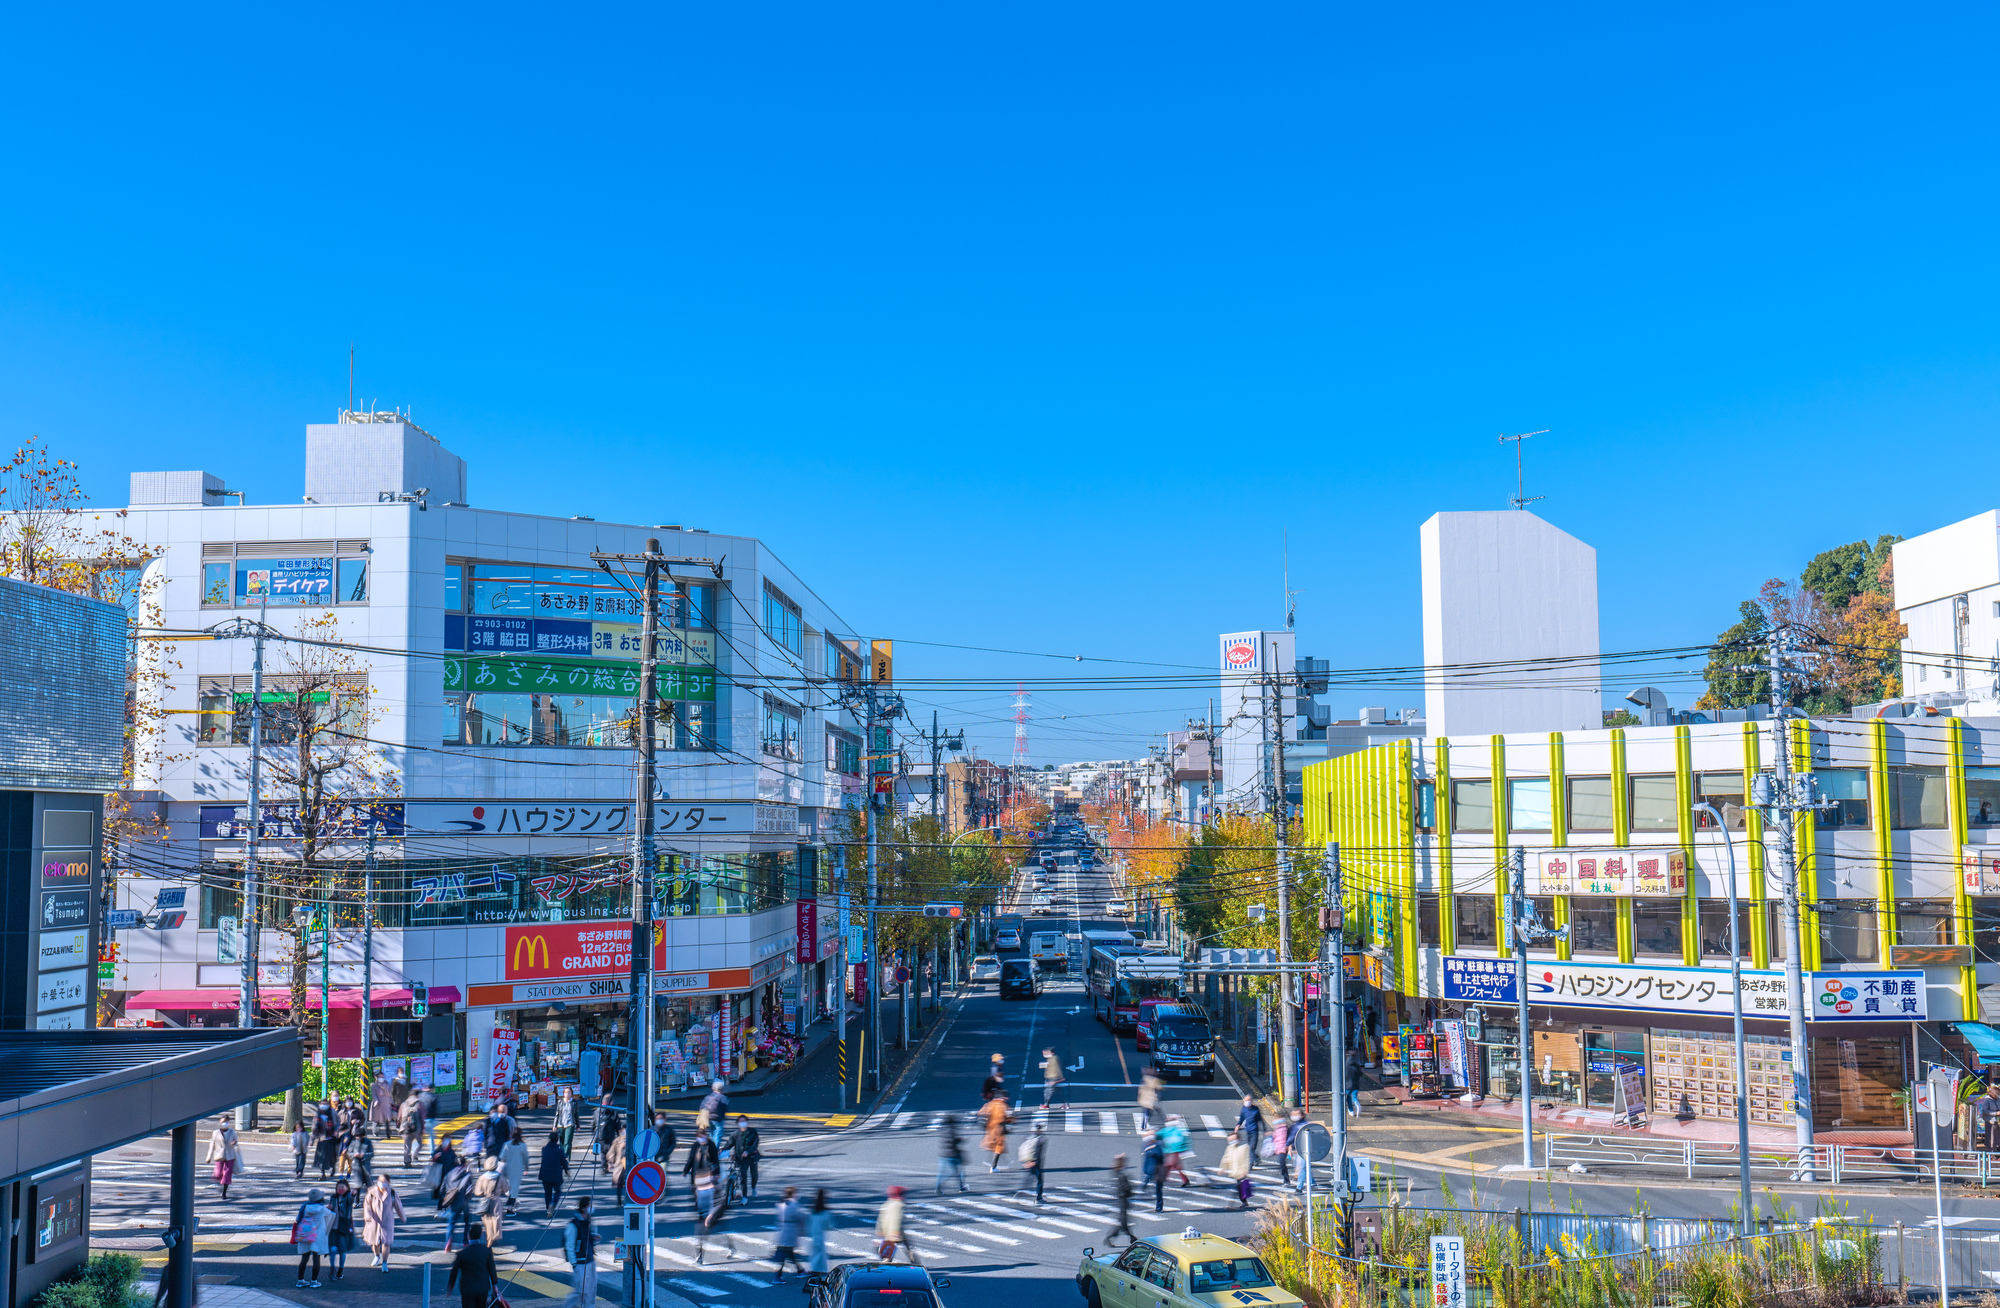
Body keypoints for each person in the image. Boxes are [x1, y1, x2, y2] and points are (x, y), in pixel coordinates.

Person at [560, 1195, 599, 1308]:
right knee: (580, 1291)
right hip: (580, 1262)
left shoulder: (589, 1220)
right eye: (589, 1205)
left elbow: (589, 1237)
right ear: (583, 1208)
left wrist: (595, 1237)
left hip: (590, 1260)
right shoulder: (573, 1225)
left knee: (591, 1289)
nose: (591, 1208)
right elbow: (569, 1245)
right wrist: (574, 1263)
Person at [447, 1225, 499, 1308]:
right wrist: (495, 1285)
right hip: (482, 1287)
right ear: (481, 1235)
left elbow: (454, 1271)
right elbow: (491, 1268)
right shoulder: (487, 1251)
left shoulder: (462, 1254)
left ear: (468, 1236)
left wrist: (450, 1286)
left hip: (467, 1288)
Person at [364, 1174, 405, 1270]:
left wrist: (402, 1217)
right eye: (380, 1181)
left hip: (387, 1221)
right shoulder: (372, 1192)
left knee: (386, 1242)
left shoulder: (392, 1193)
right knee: (375, 1242)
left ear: (388, 1182)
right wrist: (367, 1216)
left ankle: (385, 1262)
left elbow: (398, 1206)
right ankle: (376, 1256)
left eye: (384, 1181)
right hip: (374, 1221)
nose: (381, 1183)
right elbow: (367, 1205)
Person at [292, 1188, 331, 1288]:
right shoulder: (322, 1209)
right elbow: (331, 1217)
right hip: (317, 1236)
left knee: (304, 1259)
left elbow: (297, 1219)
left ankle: (300, 1280)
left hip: (305, 1234)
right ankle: (314, 1281)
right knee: (316, 1258)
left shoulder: (304, 1206)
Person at [769, 1185, 806, 1283]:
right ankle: (777, 1276)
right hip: (790, 1233)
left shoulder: (781, 1203)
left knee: (789, 1253)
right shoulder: (793, 1204)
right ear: (793, 1193)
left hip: (782, 1232)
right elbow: (799, 1218)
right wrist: (802, 1231)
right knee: (784, 1255)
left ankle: (800, 1270)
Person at [694, 1180, 737, 1265]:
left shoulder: (714, 1188)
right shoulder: (700, 1189)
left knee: (708, 1232)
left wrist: (711, 1216)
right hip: (705, 1214)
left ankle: (700, 1256)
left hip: (714, 1213)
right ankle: (700, 1256)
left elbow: (720, 1204)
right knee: (702, 1233)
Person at [874, 1186, 918, 1265]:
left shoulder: (886, 1204)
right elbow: (896, 1218)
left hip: (887, 1230)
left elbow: (881, 1218)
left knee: (892, 1249)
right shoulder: (899, 1204)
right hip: (895, 1231)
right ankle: (914, 1263)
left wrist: (879, 1230)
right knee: (905, 1247)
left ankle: (887, 1262)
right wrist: (895, 1231)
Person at [439, 1157, 474, 1253]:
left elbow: (442, 1189)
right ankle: (466, 1241)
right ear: (464, 1164)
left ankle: (448, 1241)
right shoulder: (466, 1174)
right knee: (467, 1221)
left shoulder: (449, 1174)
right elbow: (470, 1189)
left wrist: (446, 1198)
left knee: (451, 1223)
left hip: (453, 1201)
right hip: (464, 1201)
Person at [474, 1157, 508, 1249]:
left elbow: (478, 1192)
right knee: (496, 1220)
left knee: (487, 1221)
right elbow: (506, 1188)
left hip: (485, 1202)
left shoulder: (482, 1178)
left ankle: (489, 1237)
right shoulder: (500, 1177)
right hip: (496, 1201)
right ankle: (492, 1239)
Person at [326, 1178, 357, 1280]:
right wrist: (328, 1208)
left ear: (347, 1188)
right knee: (333, 1249)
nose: (340, 1189)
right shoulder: (333, 1197)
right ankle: (332, 1267)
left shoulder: (348, 1197)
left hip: (343, 1227)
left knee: (343, 1250)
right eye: (339, 1187)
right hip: (333, 1227)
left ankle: (341, 1269)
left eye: (342, 1187)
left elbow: (351, 1200)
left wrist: (353, 1194)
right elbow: (329, 1209)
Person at [684, 1130, 720, 1216]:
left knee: (709, 1191)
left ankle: (709, 1209)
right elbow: (691, 1159)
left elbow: (715, 1160)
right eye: (699, 1137)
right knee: (697, 1191)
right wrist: (685, 1170)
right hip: (697, 1173)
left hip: (708, 1172)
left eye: (702, 1137)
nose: (701, 1139)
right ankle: (700, 1209)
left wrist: (716, 1173)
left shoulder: (711, 1145)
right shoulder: (695, 1146)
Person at [205, 1115, 242, 1200]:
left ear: (228, 1122)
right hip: (219, 1155)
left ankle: (224, 1193)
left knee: (227, 1174)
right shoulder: (215, 1132)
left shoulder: (232, 1132)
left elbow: (236, 1142)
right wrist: (208, 1157)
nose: (224, 1123)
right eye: (222, 1122)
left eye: (226, 1121)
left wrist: (234, 1143)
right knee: (218, 1173)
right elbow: (212, 1145)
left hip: (230, 1155)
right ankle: (221, 1183)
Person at [1104, 1153, 1136, 1247]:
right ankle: (1131, 1237)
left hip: (1121, 1199)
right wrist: (1130, 1191)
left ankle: (1130, 1237)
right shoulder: (1122, 1174)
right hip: (1123, 1199)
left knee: (1123, 1220)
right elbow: (1125, 1188)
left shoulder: (1118, 1172)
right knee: (1123, 1221)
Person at [1220, 1129, 1253, 1210]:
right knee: (1239, 1188)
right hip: (1235, 1172)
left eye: (1233, 1140)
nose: (1232, 1142)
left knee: (1238, 1188)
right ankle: (1244, 1202)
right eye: (1230, 1141)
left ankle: (1232, 1204)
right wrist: (1223, 1168)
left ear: (1238, 1140)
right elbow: (1226, 1158)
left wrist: (1245, 1171)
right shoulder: (1229, 1149)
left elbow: (1246, 1160)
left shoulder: (1244, 1148)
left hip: (1241, 1172)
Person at [934, 1112, 967, 1193]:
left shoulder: (942, 1129)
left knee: (942, 1172)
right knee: (956, 1171)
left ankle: (938, 1187)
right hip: (952, 1154)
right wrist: (962, 1140)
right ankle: (961, 1186)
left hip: (942, 1154)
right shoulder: (952, 1130)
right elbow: (954, 1141)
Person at [977, 1093, 1011, 1172]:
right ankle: (993, 1166)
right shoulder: (1003, 1106)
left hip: (990, 1129)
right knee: (998, 1148)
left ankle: (993, 1163)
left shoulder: (990, 1104)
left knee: (994, 1146)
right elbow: (1005, 1118)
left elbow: (981, 1113)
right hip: (999, 1130)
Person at [729, 1115, 761, 1198]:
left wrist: (748, 1152)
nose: (742, 1123)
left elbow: (755, 1144)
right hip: (741, 1158)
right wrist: (722, 1150)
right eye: (740, 1121)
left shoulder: (753, 1132)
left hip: (752, 1157)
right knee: (743, 1176)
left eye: (744, 1121)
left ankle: (754, 1187)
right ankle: (744, 1195)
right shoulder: (735, 1134)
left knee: (754, 1175)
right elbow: (729, 1144)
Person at [1017, 1122, 1048, 1204]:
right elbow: (1039, 1153)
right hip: (1035, 1163)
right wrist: (1034, 1162)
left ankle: (1020, 1193)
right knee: (1040, 1181)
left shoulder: (1027, 1138)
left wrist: (1025, 1162)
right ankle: (1039, 1198)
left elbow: (1022, 1150)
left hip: (1027, 1161)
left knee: (1028, 1178)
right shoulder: (1040, 1140)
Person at [501, 1126, 530, 1212]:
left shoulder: (506, 1144)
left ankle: (510, 1204)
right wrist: (526, 1168)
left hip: (507, 1169)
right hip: (517, 1169)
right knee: (514, 1188)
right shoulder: (522, 1145)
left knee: (509, 1187)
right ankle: (510, 1207)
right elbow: (526, 1158)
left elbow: (502, 1157)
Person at [806, 1189, 834, 1274]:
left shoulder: (813, 1210)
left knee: (814, 1252)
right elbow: (829, 1225)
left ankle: (814, 1268)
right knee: (820, 1253)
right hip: (820, 1235)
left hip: (812, 1233)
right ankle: (817, 1269)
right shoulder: (825, 1212)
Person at [1159, 1116, 1191, 1188]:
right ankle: (1185, 1180)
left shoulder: (1171, 1131)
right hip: (1173, 1151)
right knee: (1174, 1166)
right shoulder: (1176, 1131)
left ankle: (1162, 1179)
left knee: (1169, 1165)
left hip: (1173, 1151)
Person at [540, 1132, 569, 1211]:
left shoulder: (544, 1149)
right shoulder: (559, 1150)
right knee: (558, 1191)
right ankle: (553, 1203)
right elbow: (564, 1162)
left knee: (547, 1192)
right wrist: (566, 1169)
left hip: (545, 1175)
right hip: (556, 1175)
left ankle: (548, 1207)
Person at [312, 1108, 341, 1180]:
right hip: (322, 1138)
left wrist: (336, 1131)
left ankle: (333, 1167)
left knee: (331, 1157)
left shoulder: (332, 1113)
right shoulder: (318, 1114)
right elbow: (314, 1127)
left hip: (331, 1138)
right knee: (321, 1157)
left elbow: (337, 1123)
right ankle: (323, 1174)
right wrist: (312, 1139)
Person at [400, 1091, 426, 1167]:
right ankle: (415, 1154)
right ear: (417, 1095)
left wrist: (399, 1127)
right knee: (420, 1143)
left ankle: (407, 1161)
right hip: (417, 1128)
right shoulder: (420, 1104)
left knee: (407, 1146)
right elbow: (422, 1117)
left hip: (405, 1128)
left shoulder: (403, 1104)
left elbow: (399, 1117)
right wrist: (423, 1128)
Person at [1141, 1132, 1165, 1213]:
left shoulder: (1157, 1146)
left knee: (1158, 1189)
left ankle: (1159, 1207)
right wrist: (1144, 1170)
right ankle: (1144, 1185)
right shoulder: (1146, 1146)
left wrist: (1153, 1153)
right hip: (1149, 1170)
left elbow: (1161, 1157)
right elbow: (1145, 1160)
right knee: (1145, 1185)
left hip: (1158, 1171)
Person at [348, 1122, 376, 1189]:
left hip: (365, 1165)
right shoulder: (354, 1142)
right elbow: (349, 1153)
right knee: (357, 1186)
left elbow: (371, 1153)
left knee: (369, 1185)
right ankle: (356, 1199)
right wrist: (354, 1155)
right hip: (357, 1165)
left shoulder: (368, 1142)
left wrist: (364, 1155)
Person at [1235, 1096, 1263, 1161]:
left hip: (1254, 1131)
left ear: (1251, 1101)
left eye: (1248, 1100)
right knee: (1250, 1147)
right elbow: (1241, 1118)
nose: (1247, 1102)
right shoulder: (1244, 1109)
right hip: (1248, 1130)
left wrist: (1264, 1129)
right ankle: (1256, 1158)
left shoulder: (1255, 1109)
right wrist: (1238, 1125)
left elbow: (1260, 1119)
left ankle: (1251, 1163)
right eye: (1245, 1100)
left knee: (1252, 1148)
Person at [1270, 1111, 1293, 1186]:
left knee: (1282, 1164)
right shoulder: (1276, 1128)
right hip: (1278, 1148)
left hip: (1284, 1148)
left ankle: (1287, 1180)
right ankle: (1286, 1180)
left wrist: (1289, 1150)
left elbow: (1289, 1139)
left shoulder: (1286, 1128)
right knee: (1282, 1164)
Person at [554, 1088, 578, 1157]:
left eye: (569, 1092)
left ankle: (566, 1158)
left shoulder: (574, 1102)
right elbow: (557, 1114)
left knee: (567, 1142)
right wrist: (554, 1125)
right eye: (566, 1092)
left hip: (570, 1124)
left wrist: (578, 1125)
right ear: (563, 1094)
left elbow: (576, 1114)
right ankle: (562, 1157)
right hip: (561, 1124)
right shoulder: (560, 1102)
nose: (567, 1094)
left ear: (571, 1093)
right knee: (561, 1143)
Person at [1345, 1050, 1364, 1118]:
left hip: (1347, 1084)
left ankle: (1351, 1111)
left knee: (1348, 1097)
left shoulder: (1345, 1064)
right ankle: (1357, 1103)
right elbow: (1360, 1074)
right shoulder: (1356, 1065)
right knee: (1354, 1097)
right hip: (1355, 1084)